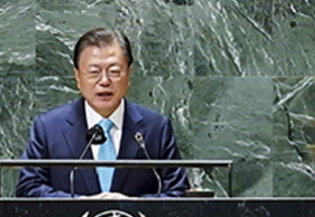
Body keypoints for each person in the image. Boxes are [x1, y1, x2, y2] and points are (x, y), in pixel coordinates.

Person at [16, 28, 189, 199]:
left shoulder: (156, 128)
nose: (104, 81)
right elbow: (28, 189)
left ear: (129, 74)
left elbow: (178, 193)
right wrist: (79, 204)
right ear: (77, 76)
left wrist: (134, 204)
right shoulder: (49, 128)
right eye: (94, 72)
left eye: (114, 71)